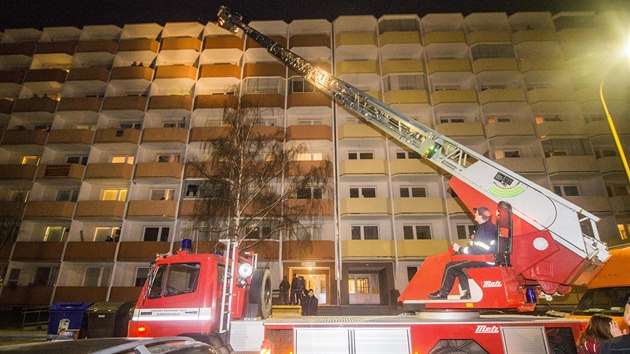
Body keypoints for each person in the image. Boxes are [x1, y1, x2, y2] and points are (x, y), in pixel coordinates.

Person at [428, 206, 497, 300]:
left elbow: (481, 248)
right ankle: (468, 292)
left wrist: (461, 249)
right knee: (460, 266)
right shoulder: (488, 227)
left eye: (476, 213)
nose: (475, 214)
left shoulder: (484, 229)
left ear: (481, 216)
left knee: (450, 267)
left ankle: (442, 294)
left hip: (484, 261)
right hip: (486, 259)